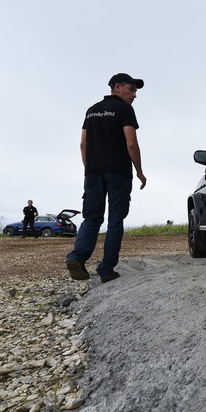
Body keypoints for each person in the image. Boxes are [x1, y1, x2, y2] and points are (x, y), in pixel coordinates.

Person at [66, 73, 147, 283]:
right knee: (115, 220)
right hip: (118, 172)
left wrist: (90, 169)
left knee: (92, 218)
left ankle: (77, 257)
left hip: (93, 172)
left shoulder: (91, 110)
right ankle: (106, 269)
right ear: (117, 86)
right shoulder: (125, 109)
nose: (134, 95)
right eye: (131, 89)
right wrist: (139, 171)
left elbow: (83, 144)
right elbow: (131, 143)